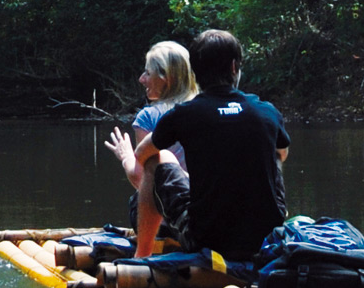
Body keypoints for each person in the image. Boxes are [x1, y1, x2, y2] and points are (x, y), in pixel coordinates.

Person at [107, 29, 289, 263]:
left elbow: (142, 156)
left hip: (207, 240)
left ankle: (142, 255)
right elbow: (282, 155)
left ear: (195, 70)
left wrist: (129, 158)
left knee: (158, 158)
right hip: (266, 238)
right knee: (273, 151)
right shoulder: (267, 111)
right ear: (234, 67)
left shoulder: (184, 115)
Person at [106, 41, 197, 256]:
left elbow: (143, 181)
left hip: (173, 224)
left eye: (148, 73)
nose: (141, 79)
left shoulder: (149, 116)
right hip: (207, 218)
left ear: (166, 78)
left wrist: (126, 157)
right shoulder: (205, 109)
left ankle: (143, 253)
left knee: (137, 200)